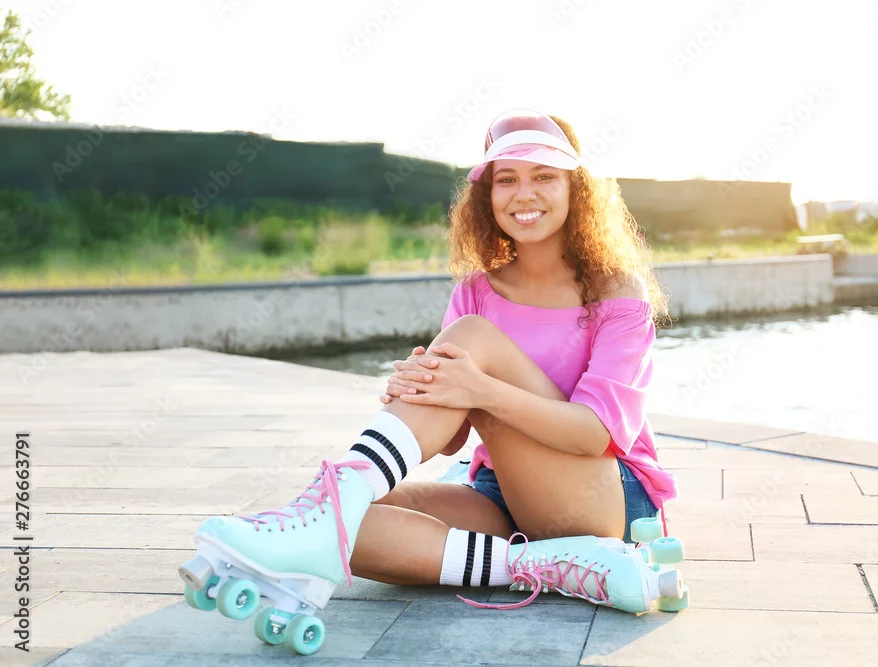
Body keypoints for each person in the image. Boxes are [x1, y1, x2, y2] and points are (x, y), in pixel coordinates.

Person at [179, 109, 683, 655]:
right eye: (506, 179)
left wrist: (478, 388)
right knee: (353, 522)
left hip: (606, 500)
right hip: (503, 492)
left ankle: (319, 513)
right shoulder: (476, 291)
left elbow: (594, 434)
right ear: (487, 195)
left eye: (543, 176)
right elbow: (451, 439)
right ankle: (537, 564)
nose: (524, 193)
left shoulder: (616, 290)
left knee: (473, 339)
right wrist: (420, 391)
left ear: (574, 189)